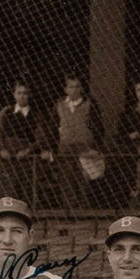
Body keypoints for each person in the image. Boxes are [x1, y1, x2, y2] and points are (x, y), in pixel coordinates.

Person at [0, 83, 53, 201]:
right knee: (7, 191)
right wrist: (2, 149)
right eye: (19, 93)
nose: (22, 96)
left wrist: (28, 150)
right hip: (7, 158)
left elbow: (41, 138)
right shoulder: (6, 112)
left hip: (26, 159)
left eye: (25, 93)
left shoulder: (35, 115)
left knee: (25, 190)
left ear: (29, 95)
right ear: (14, 95)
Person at [51, 76, 104, 211]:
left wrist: (96, 148)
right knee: (67, 179)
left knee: (84, 181)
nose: (74, 90)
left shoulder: (89, 104)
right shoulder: (59, 105)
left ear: (81, 89)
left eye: (77, 87)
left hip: (85, 149)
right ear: (66, 89)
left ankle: (84, 211)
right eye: (71, 87)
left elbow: (98, 127)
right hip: (66, 149)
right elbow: (52, 128)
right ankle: (69, 211)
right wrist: (52, 148)